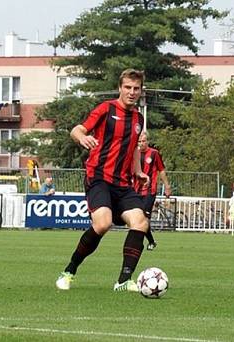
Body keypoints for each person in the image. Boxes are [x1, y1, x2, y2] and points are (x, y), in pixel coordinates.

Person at [55, 69, 150, 293]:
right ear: (120, 88)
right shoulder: (106, 109)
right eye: (128, 87)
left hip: (123, 183)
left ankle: (124, 281)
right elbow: (77, 129)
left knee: (141, 223)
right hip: (98, 177)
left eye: (136, 88)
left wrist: (138, 171)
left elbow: (135, 148)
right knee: (103, 223)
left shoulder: (138, 118)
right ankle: (69, 271)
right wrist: (83, 137)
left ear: (140, 91)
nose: (132, 92)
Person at [133, 131, 171, 251]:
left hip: (150, 191)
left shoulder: (154, 154)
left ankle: (139, 243)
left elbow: (161, 171)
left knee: (143, 217)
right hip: (136, 191)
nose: (141, 143)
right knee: (138, 219)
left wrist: (167, 186)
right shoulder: (134, 154)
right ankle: (151, 241)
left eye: (143, 141)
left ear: (147, 141)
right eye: (139, 141)